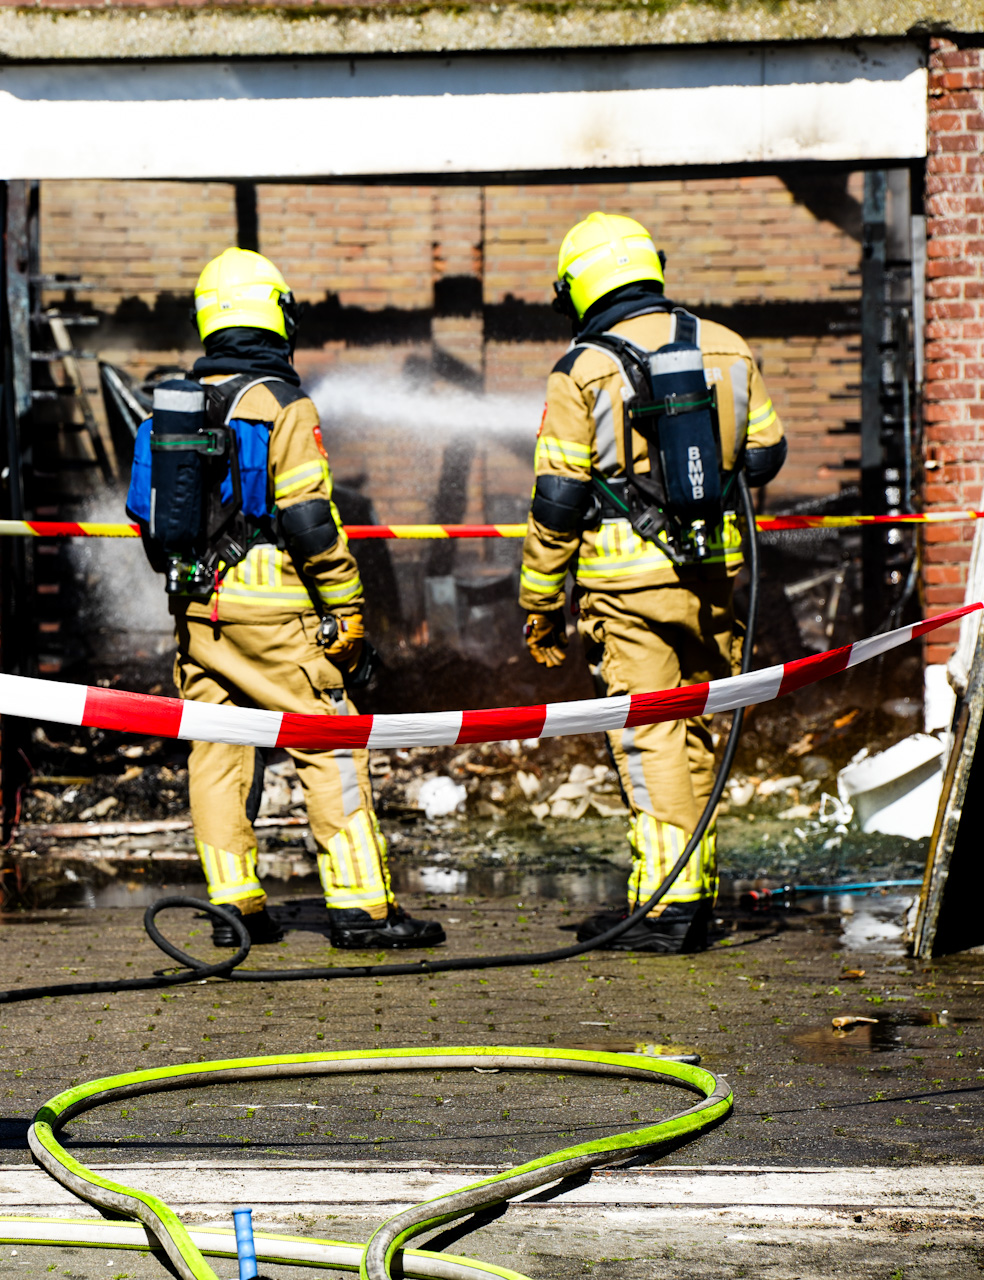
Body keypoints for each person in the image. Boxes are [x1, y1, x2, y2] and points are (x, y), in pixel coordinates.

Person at [129, 248, 445, 952]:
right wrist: (348, 609)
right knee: (329, 744)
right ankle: (362, 909)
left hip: (201, 613)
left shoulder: (171, 407)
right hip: (281, 616)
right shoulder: (282, 405)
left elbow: (147, 525)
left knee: (217, 752)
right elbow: (307, 520)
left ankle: (235, 906)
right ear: (278, 316)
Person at [518, 213, 786, 953]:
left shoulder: (582, 370)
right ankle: (685, 895)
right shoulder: (728, 347)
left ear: (577, 288)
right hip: (717, 576)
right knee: (698, 729)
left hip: (626, 588)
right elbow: (766, 454)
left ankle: (668, 911)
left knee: (650, 736)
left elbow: (559, 500)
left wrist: (541, 599)